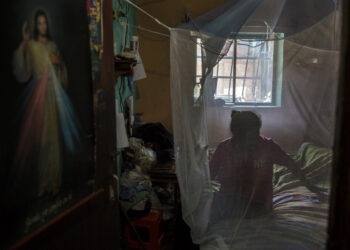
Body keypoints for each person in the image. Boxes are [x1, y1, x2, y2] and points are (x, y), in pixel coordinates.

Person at [209, 110, 325, 221]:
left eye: (257, 133)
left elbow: (292, 165)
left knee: (213, 207)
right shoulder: (224, 148)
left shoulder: (267, 146)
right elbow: (209, 174)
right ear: (237, 136)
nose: (255, 139)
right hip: (227, 199)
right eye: (250, 136)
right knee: (206, 202)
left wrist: (314, 189)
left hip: (258, 205)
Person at [12, 10, 79, 197]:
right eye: (39, 23)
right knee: (41, 141)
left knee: (54, 142)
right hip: (38, 99)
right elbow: (23, 73)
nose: (42, 26)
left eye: (44, 23)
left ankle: (54, 182)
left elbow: (63, 78)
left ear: (47, 25)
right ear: (36, 25)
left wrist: (58, 63)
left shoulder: (53, 46)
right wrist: (24, 44)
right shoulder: (32, 46)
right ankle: (42, 183)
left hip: (53, 97)